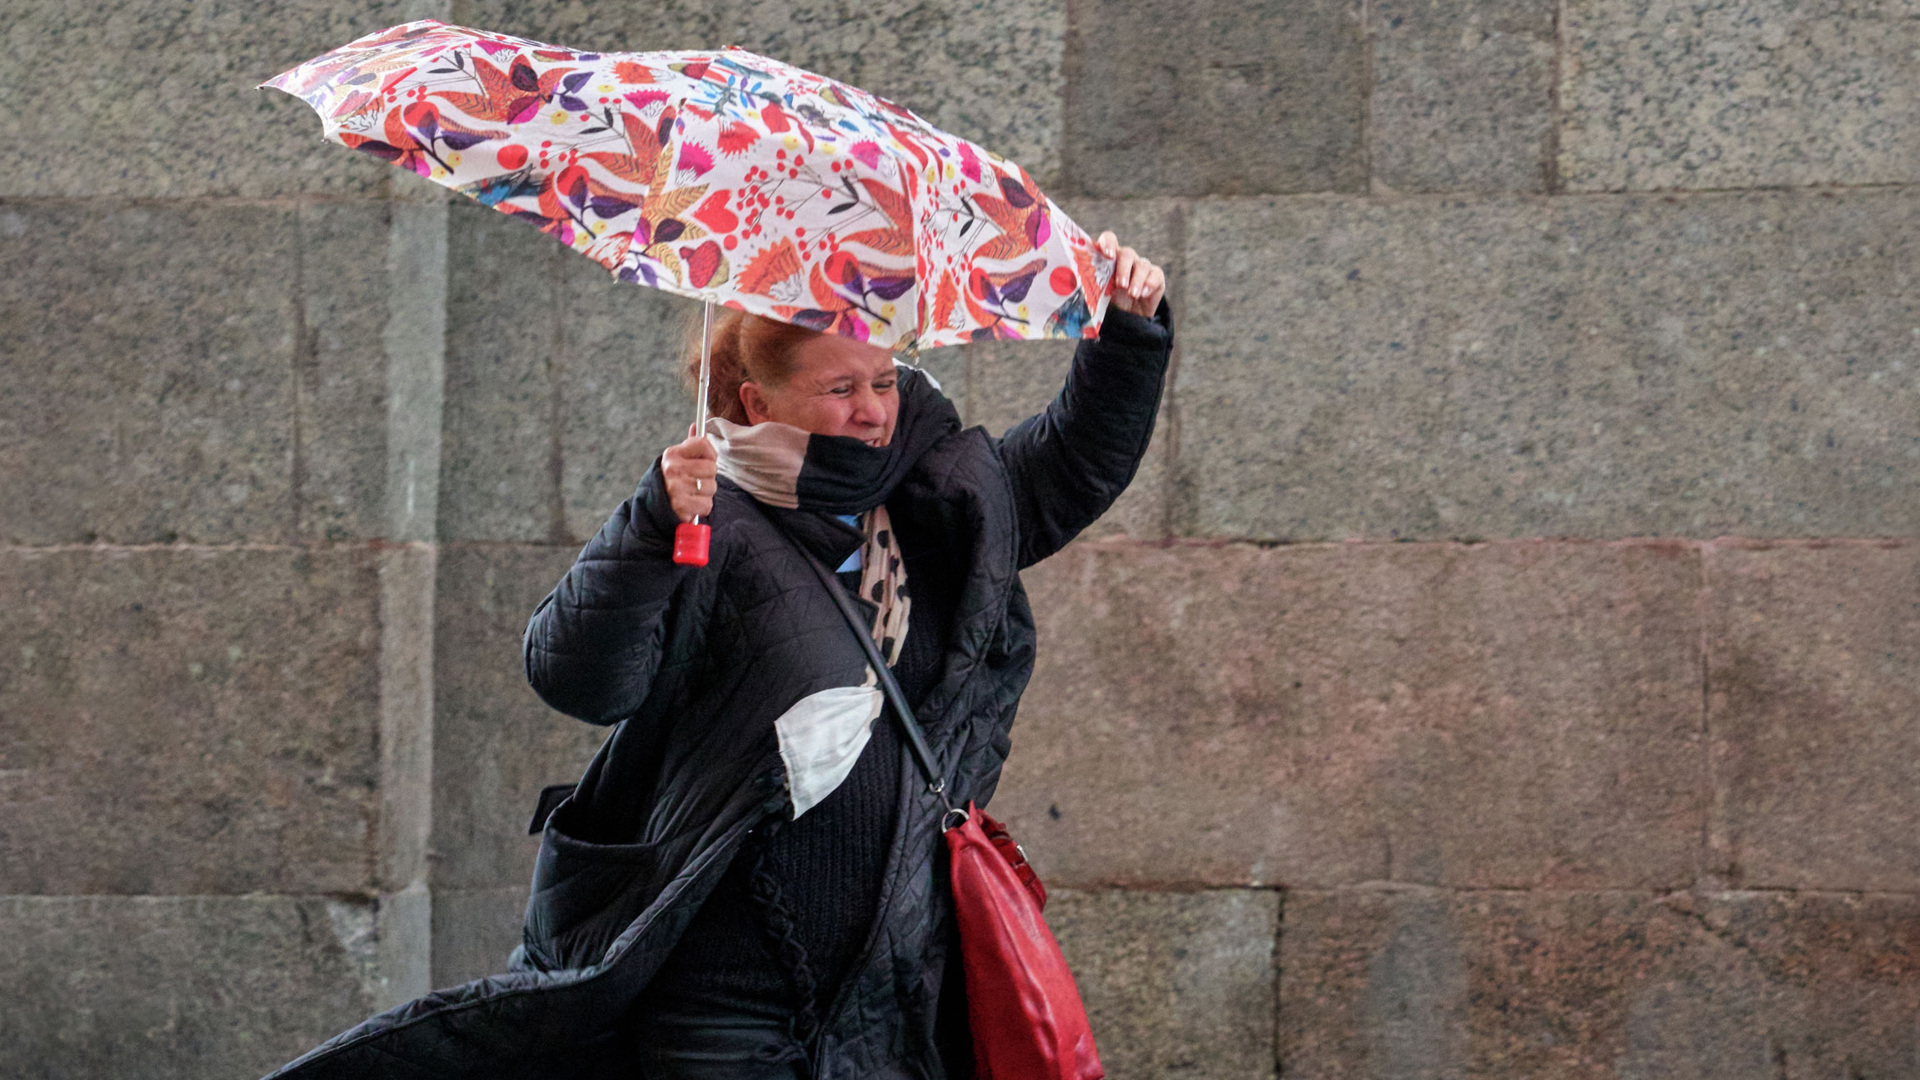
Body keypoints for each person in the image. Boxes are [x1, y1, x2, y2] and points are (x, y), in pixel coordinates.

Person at [261, 233, 1169, 1080]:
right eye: (839, 389)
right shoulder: (705, 519)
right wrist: (653, 524)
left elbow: (1072, 465)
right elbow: (578, 677)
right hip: (716, 995)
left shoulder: (937, 503)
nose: (872, 413)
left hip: (889, 989)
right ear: (756, 400)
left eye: (884, 383)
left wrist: (1127, 335)